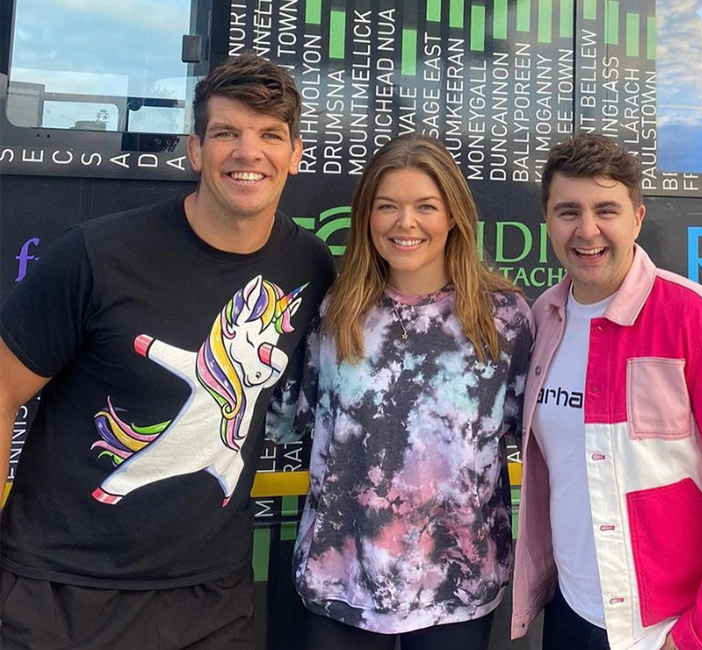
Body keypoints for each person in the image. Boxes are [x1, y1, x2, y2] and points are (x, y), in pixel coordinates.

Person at [0, 53, 335, 649]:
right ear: (195, 149)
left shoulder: (307, 265)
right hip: (63, 591)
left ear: (295, 153)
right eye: (227, 132)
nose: (248, 152)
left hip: (212, 596)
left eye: (270, 136)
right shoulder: (97, 255)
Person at [511, 134, 702, 650]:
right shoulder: (541, 322)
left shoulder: (701, 321)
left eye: (606, 210)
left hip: (666, 631)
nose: (587, 230)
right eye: (568, 211)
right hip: (570, 615)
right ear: (548, 222)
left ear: (637, 218)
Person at [266, 134, 534, 650]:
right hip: (340, 580)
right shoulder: (334, 312)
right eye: (387, 206)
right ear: (367, 216)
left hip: (458, 587)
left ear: (453, 215)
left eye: (425, 207)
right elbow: (284, 418)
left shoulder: (504, 320)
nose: (404, 223)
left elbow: (537, 435)